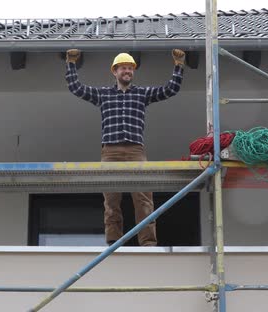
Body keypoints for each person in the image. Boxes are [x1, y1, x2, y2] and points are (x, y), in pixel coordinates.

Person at [65, 48, 185, 246]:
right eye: (123, 68)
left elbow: (169, 89)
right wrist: (70, 63)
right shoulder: (103, 95)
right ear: (115, 71)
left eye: (130, 68)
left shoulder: (141, 94)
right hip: (110, 151)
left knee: (144, 197)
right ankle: (113, 241)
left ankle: (148, 242)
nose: (127, 71)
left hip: (135, 150)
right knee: (111, 199)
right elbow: (77, 88)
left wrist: (178, 66)